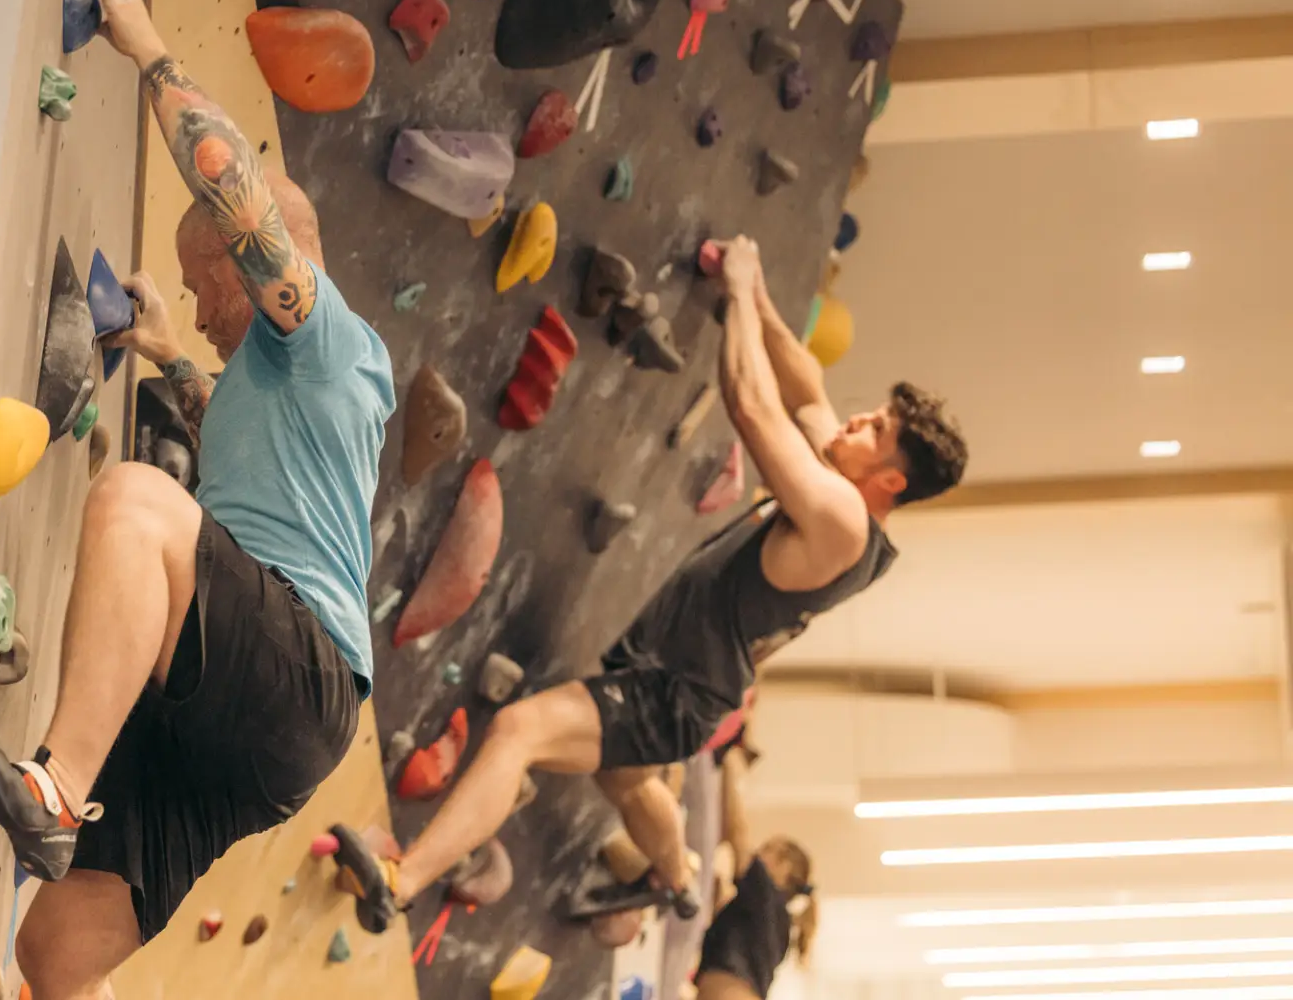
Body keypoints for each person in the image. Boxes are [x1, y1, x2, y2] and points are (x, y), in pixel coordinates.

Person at [0, 0, 395, 999]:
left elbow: (229, 189)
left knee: (140, 504)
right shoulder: (282, 379)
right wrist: (170, 356)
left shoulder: (328, 337)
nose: (202, 306)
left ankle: (55, 789)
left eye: (210, 286)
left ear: (266, 266)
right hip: (252, 726)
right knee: (54, 955)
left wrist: (147, 46)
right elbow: (251, 464)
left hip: (298, 671)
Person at [337, 235, 967, 932]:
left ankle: (399, 881)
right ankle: (676, 878)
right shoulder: (845, 487)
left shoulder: (842, 519)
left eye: (875, 428)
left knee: (519, 730)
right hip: (675, 668)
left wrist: (734, 297)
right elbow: (808, 390)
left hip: (676, 690)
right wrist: (753, 287)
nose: (856, 419)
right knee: (624, 777)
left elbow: (755, 408)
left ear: (890, 482)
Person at [695, 835, 820, 1000]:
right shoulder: (778, 924)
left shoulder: (765, 893)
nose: (758, 851)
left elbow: (738, 836)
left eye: (767, 848)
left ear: (784, 867)